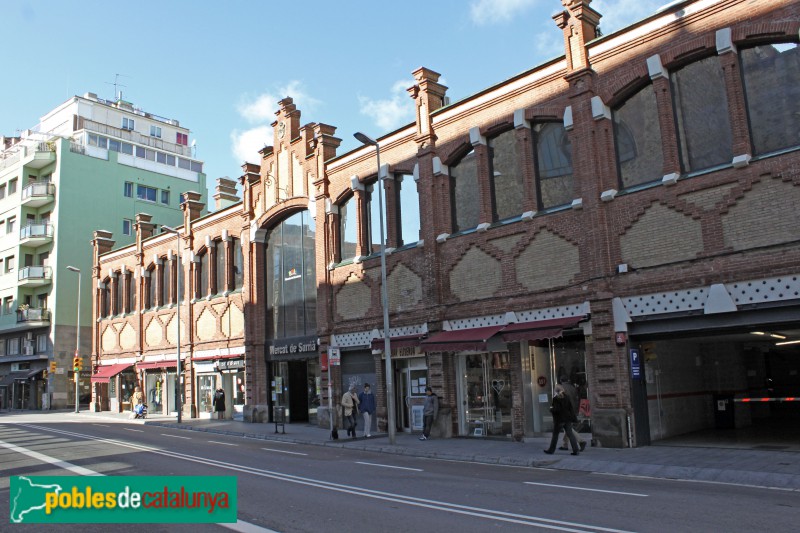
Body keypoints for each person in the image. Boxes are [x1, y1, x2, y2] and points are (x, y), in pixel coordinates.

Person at [544, 384, 580, 455]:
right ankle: (576, 450)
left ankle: (551, 450)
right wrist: (573, 417)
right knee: (570, 434)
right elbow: (570, 408)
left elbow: (557, 409)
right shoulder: (567, 397)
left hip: (559, 419)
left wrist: (551, 409)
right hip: (567, 418)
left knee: (555, 435)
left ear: (556, 390)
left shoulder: (556, 398)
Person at [559, 376, 587, 452]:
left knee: (568, 427)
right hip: (573, 410)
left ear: (561, 381)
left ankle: (581, 441)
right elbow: (576, 399)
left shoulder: (561, 388)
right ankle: (565, 445)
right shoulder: (572, 387)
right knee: (567, 427)